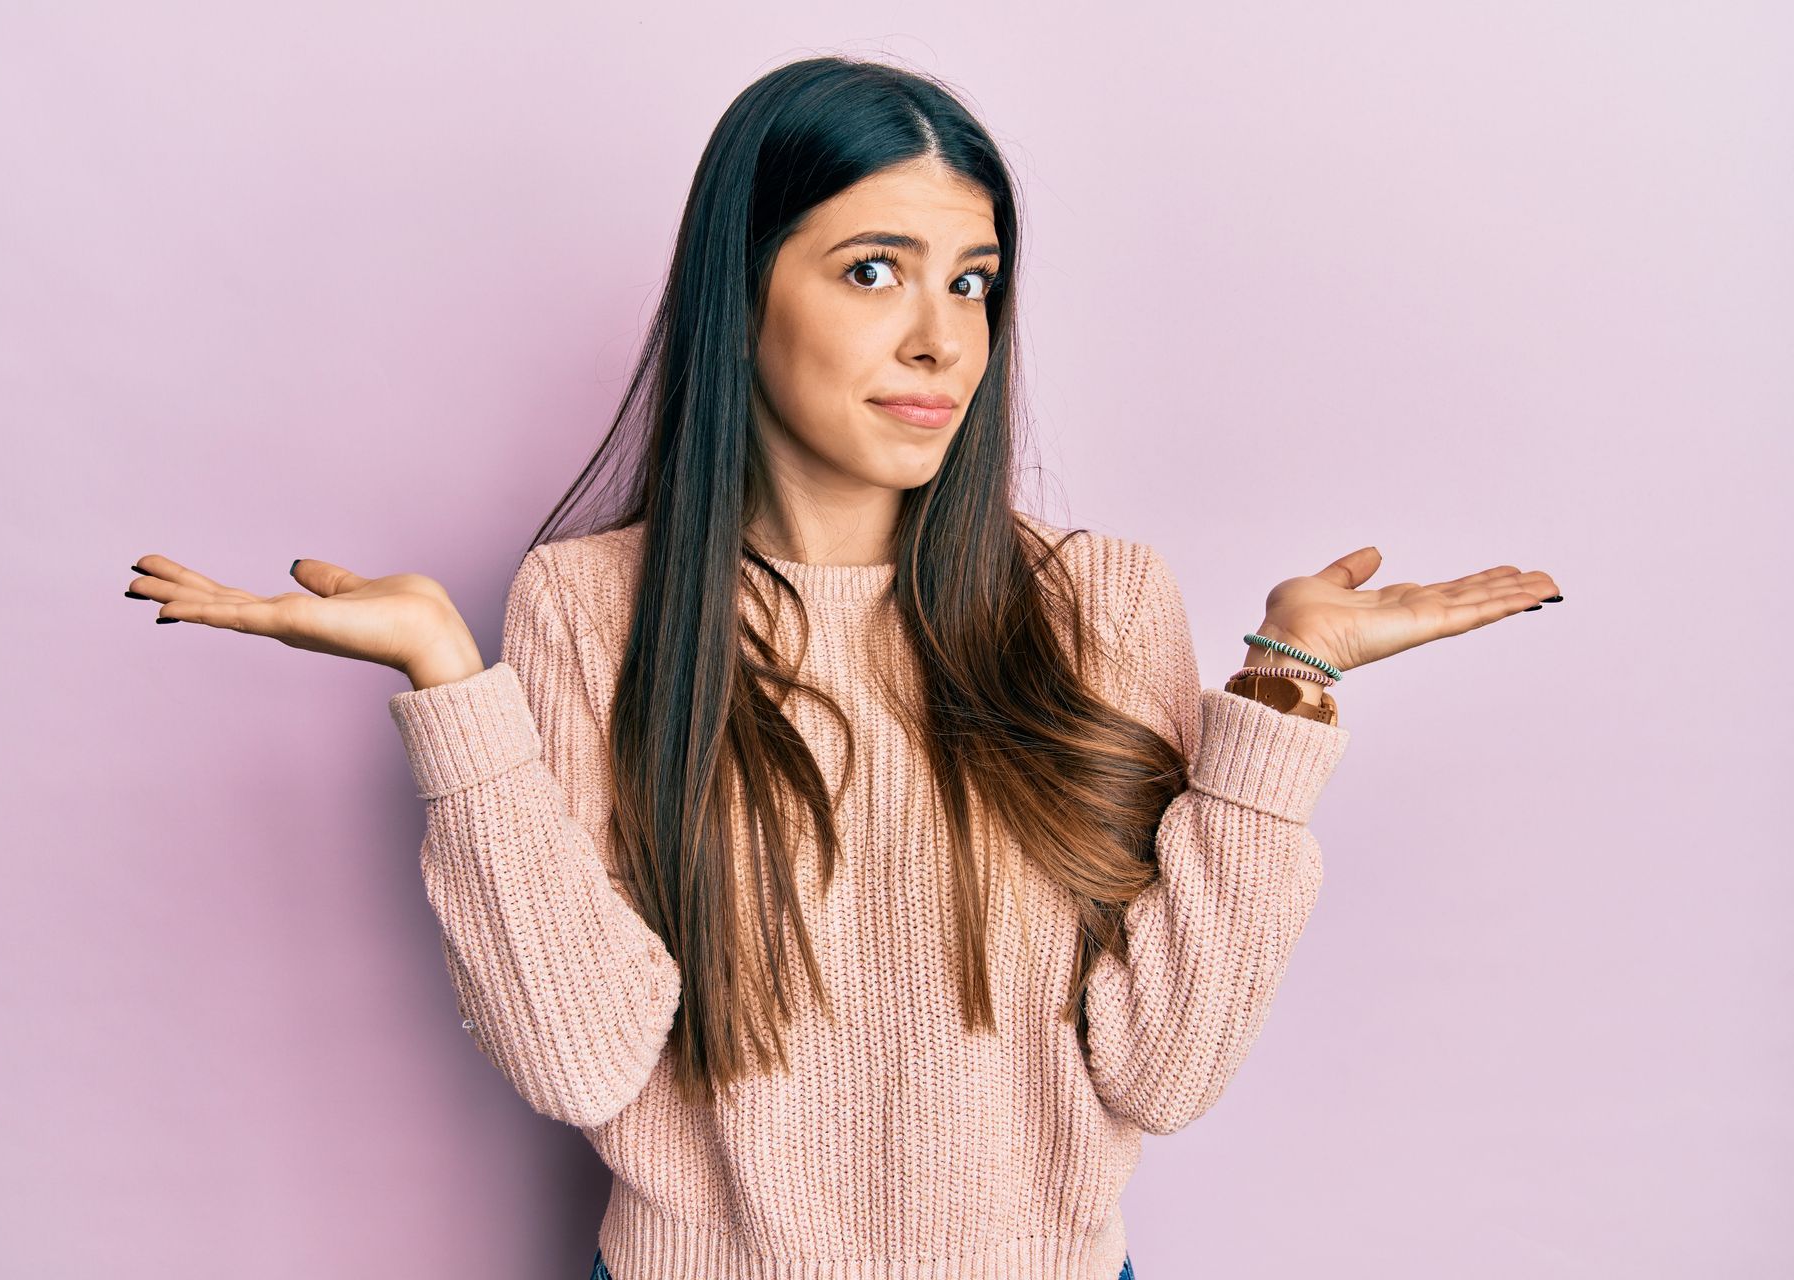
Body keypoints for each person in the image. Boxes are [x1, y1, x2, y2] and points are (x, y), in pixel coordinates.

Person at [122, 55, 1561, 1280]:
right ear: (744, 298)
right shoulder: (591, 607)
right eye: (872, 271)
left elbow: (1163, 1072)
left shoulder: (1100, 603)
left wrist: (1285, 691)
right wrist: (455, 692)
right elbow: (581, 1062)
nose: (942, 340)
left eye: (975, 282)